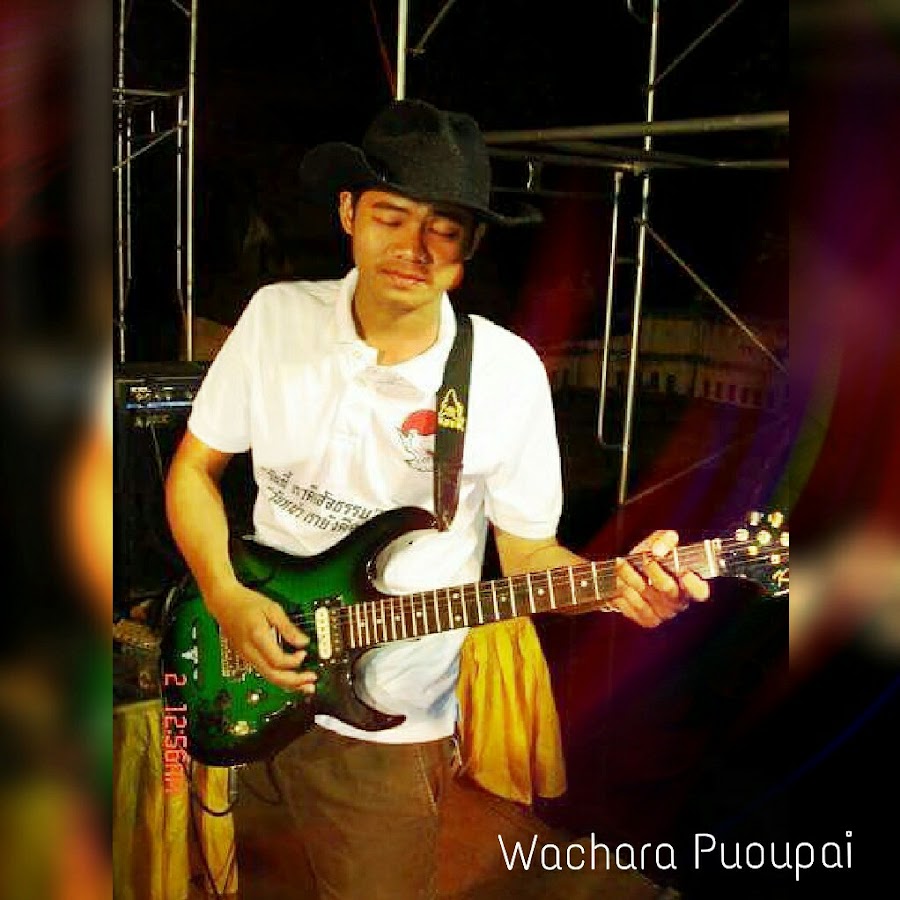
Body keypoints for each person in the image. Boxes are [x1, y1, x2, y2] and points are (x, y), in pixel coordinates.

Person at [164, 98, 709, 900]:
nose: (413, 249)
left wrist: (613, 586)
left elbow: (527, 553)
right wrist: (224, 594)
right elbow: (192, 469)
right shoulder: (276, 319)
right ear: (348, 212)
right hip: (249, 680)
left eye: (443, 229)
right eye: (390, 216)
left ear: (470, 246)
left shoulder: (505, 374)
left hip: (386, 731)